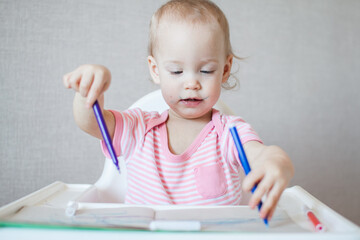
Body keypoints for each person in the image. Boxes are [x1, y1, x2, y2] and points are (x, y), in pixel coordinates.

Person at [63, 0, 294, 222]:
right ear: (155, 70)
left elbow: (259, 154)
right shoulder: (138, 127)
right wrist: (88, 91)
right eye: (176, 71)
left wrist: (276, 160)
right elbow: (91, 123)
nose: (191, 83)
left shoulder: (230, 132)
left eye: (206, 70)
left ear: (225, 70)